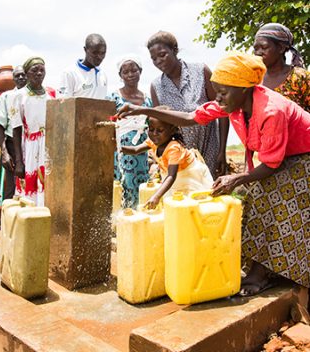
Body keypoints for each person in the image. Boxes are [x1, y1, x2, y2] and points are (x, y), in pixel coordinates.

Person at [116, 51, 310, 295]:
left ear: (244, 88)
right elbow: (189, 117)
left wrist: (236, 177)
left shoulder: (272, 110)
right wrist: (141, 111)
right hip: (281, 156)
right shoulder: (234, 104)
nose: (218, 97)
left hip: (304, 157)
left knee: (267, 199)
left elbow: (272, 164)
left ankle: (261, 274)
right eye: (216, 91)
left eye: (223, 91)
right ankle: (248, 261)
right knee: (239, 198)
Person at [147, 31, 229, 178]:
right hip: (180, 156)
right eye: (154, 59)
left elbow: (222, 111)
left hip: (209, 147)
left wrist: (222, 151)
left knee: (210, 194)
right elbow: (159, 126)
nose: (158, 61)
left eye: (162, 55)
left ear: (174, 50)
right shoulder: (157, 86)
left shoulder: (200, 71)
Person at [121, 106, 213, 209]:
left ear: (172, 130)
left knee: (192, 204)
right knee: (174, 204)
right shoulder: (154, 142)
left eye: (160, 130)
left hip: (189, 176)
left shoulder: (173, 148)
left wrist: (156, 196)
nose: (154, 134)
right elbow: (135, 150)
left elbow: (171, 176)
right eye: (151, 129)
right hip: (174, 178)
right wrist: (117, 147)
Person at [108, 56, 152, 208]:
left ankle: (139, 218)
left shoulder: (147, 99)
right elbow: (108, 123)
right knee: (123, 184)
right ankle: (122, 221)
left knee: (142, 184)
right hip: (121, 148)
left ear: (140, 72)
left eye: (134, 70)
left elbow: (150, 124)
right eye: (125, 72)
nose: (130, 74)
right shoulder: (113, 97)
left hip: (141, 149)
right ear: (120, 75)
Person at [11, 57, 52, 206]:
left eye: (42, 70)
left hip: (49, 146)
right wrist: (19, 162)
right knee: (31, 187)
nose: (39, 73)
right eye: (35, 70)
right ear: (27, 74)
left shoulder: (52, 94)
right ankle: (31, 221)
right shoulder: (19, 96)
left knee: (48, 184)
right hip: (30, 146)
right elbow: (16, 130)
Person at [253, 23, 309, 112]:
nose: (258, 53)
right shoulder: (253, 79)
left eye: (264, 47)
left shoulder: (299, 77)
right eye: (256, 49)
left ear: (281, 48)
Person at [0, 66, 27, 199]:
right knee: (12, 185)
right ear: (13, 79)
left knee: (31, 184)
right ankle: (8, 217)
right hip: (12, 145)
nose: (21, 78)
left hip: (32, 144)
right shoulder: (7, 96)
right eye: (17, 76)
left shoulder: (36, 96)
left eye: (23, 75)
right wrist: (5, 153)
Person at [61, 33, 107, 98]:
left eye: (103, 53)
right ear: (85, 50)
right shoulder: (69, 73)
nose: (99, 57)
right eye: (94, 53)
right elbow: (63, 103)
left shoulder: (103, 74)